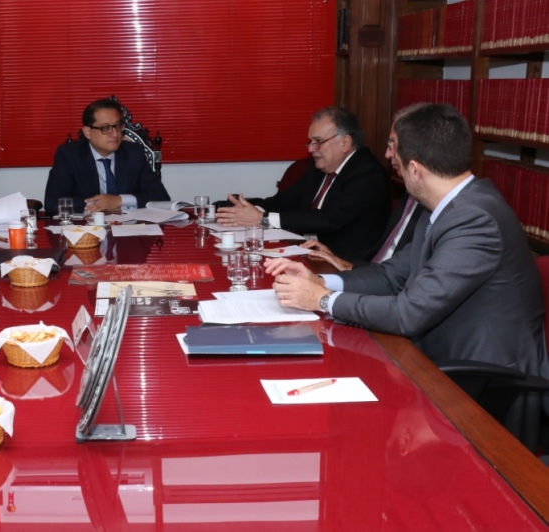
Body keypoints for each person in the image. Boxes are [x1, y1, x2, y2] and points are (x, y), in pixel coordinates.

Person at [266, 103, 548, 378]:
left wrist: (323, 300)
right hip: (434, 356)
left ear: (414, 169)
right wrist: (321, 281)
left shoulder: (474, 219)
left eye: (392, 145)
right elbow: (391, 276)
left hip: (485, 378)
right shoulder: (444, 206)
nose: (387, 154)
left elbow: (409, 313)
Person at [217, 106, 390, 262]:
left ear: (345, 143)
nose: (310, 149)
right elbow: (285, 200)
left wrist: (262, 219)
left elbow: (329, 218)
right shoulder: (320, 168)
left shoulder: (368, 174)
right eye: (310, 142)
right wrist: (248, 210)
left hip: (344, 262)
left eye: (318, 142)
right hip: (308, 251)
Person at [302, 105, 428, 271]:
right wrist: (343, 263)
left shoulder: (442, 210)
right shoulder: (411, 196)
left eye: (392, 144)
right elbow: (386, 261)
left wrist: (349, 270)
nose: (387, 154)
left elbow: (401, 278)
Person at [44, 98, 170, 216]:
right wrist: (100, 204)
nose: (115, 134)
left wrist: (119, 200)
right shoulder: (69, 155)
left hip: (129, 227)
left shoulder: (134, 153)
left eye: (118, 126)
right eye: (106, 128)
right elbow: (52, 203)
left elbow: (161, 198)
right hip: (87, 229)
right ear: (88, 132)